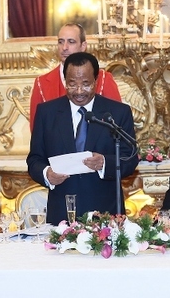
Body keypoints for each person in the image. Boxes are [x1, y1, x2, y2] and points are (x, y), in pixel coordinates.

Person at [27, 52, 139, 225]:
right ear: (65, 81)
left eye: (86, 84)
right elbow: (34, 159)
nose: (79, 91)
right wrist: (47, 174)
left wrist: (104, 163)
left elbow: (130, 159)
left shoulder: (117, 113)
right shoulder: (47, 113)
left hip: (106, 214)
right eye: (72, 84)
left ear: (96, 81)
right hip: (62, 213)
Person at [29, 23, 121, 131]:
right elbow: (36, 130)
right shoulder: (42, 83)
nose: (64, 47)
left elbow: (117, 120)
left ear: (83, 46)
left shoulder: (104, 78)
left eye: (71, 42)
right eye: (61, 42)